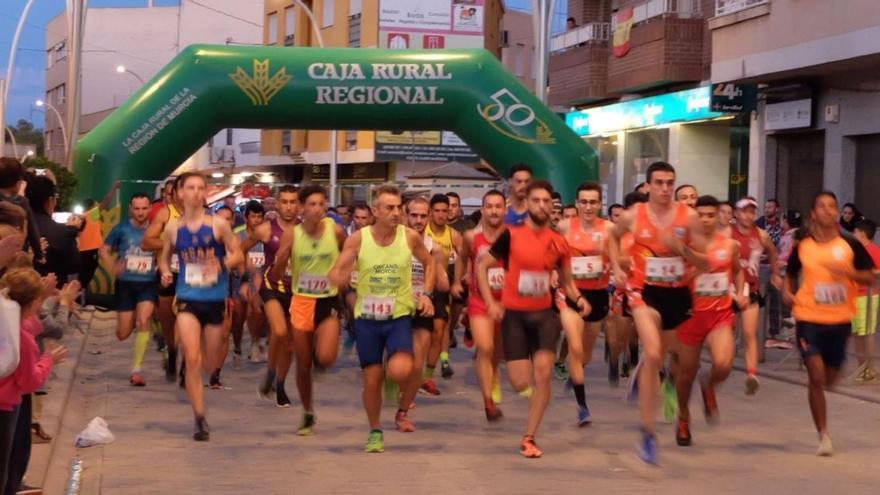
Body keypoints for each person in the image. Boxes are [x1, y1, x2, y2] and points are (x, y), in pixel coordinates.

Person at [477, 180, 588, 458]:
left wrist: (579, 298)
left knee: (543, 375)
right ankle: (509, 387)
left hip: (543, 317)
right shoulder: (510, 235)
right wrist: (491, 302)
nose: (541, 205)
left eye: (546, 201)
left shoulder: (559, 242)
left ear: (552, 206)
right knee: (519, 381)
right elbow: (482, 266)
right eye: (535, 200)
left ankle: (529, 436)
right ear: (527, 205)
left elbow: (568, 282)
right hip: (514, 317)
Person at [609, 161, 705, 465]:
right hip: (643, 291)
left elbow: (705, 261)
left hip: (678, 294)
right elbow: (611, 238)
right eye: (659, 183)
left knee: (677, 361)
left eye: (669, 183)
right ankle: (648, 435)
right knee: (652, 354)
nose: (665, 188)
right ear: (648, 185)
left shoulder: (687, 217)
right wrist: (615, 266)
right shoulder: (633, 215)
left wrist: (682, 249)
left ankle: (650, 380)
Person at [328, 184, 434, 453]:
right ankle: (375, 429)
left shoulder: (409, 237)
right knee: (371, 380)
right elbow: (339, 270)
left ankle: (394, 379)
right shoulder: (359, 240)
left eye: (399, 207)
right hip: (367, 320)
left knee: (400, 370)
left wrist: (426, 294)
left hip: (398, 316)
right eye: (390, 207)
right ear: (375, 210)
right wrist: (336, 279)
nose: (396, 212)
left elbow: (430, 263)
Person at [783, 191, 875, 456]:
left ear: (836, 213)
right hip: (808, 318)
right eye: (821, 206)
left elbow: (869, 278)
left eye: (831, 206)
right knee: (816, 376)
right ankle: (823, 435)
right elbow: (790, 273)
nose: (827, 210)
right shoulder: (803, 245)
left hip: (839, 320)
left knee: (830, 379)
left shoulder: (850, 245)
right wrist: (786, 291)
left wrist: (849, 273)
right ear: (813, 213)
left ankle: (823, 391)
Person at [158, 172, 242, 441]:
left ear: (206, 193)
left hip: (214, 300)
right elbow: (164, 257)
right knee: (192, 359)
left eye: (200, 188)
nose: (196, 192)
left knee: (209, 364)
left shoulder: (217, 225)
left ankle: (200, 375)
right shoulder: (173, 229)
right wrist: (165, 272)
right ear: (179, 193)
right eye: (190, 187)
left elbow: (237, 253)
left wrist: (222, 265)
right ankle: (199, 418)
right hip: (187, 299)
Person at [270, 185, 346, 436]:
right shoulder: (292, 235)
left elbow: (350, 254)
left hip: (327, 300)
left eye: (321, 204)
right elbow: (277, 274)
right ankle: (308, 410)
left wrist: (342, 273)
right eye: (312, 204)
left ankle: (319, 352)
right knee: (303, 366)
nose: (317, 209)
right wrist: (282, 260)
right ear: (302, 208)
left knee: (325, 357)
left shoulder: (334, 231)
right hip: (301, 301)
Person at [674, 195, 747, 446]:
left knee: (724, 364)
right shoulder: (685, 245)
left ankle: (709, 386)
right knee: (685, 375)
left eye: (710, 215)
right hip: (690, 316)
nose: (705, 219)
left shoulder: (730, 246)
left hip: (719, 314)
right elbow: (673, 278)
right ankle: (683, 417)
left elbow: (738, 272)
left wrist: (740, 293)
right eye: (701, 214)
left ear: (719, 216)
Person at [0, 267, 67, 495]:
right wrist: (48, 360)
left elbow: (27, 325)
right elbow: (29, 382)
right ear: (32, 304)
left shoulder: (7, 326)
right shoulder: (24, 341)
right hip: (4, 409)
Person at [556, 182, 613, 424]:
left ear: (600, 204)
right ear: (577, 203)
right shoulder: (564, 227)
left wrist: (618, 270)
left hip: (598, 296)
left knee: (586, 355)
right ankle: (583, 407)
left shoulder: (610, 229)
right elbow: (553, 255)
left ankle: (576, 375)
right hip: (570, 294)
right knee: (575, 349)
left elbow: (621, 258)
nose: (588, 207)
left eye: (593, 202)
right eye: (583, 202)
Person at [241, 186, 300, 407]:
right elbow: (241, 249)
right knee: (279, 330)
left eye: (293, 201)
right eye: (284, 201)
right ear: (277, 204)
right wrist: (252, 275)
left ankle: (280, 384)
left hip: (297, 290)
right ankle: (270, 372)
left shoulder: (307, 230)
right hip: (271, 286)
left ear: (299, 205)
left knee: (289, 345)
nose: (288, 206)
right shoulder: (266, 229)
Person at [453, 190, 506, 421]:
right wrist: (458, 279)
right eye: (490, 206)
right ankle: (488, 402)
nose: (494, 211)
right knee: (485, 347)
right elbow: (462, 258)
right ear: (482, 210)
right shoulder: (471, 237)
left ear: (504, 210)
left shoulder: (512, 235)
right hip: (479, 299)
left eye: (498, 206)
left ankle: (493, 375)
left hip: (505, 301)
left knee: (497, 351)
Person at [395, 196, 445, 431]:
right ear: (404, 214)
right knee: (397, 364)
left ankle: (402, 412)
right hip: (395, 308)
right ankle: (394, 386)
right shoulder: (393, 241)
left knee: (417, 364)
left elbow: (442, 284)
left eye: (423, 215)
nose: (418, 220)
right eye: (413, 215)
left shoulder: (433, 247)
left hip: (422, 306)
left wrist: (441, 272)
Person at [100, 193, 158, 386]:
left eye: (144, 208)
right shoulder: (121, 229)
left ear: (150, 209)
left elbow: (166, 248)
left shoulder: (156, 230)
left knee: (143, 321)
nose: (141, 212)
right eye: (137, 208)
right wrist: (113, 266)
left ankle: (136, 370)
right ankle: (137, 321)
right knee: (122, 334)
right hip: (125, 284)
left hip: (147, 283)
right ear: (130, 209)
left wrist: (162, 265)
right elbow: (104, 249)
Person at [731, 197, 781, 394]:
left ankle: (751, 375)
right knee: (726, 332)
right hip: (729, 290)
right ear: (736, 213)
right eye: (744, 211)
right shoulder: (727, 233)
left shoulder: (761, 235)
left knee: (750, 334)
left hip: (750, 289)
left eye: (751, 211)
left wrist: (776, 273)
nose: (748, 215)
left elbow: (773, 253)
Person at [142, 176, 185, 383]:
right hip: (168, 274)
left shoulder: (205, 215)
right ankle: (173, 351)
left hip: (192, 276)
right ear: (174, 193)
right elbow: (146, 242)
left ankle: (187, 364)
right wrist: (170, 244)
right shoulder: (165, 213)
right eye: (182, 190)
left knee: (190, 320)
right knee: (169, 322)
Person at [423, 194, 462, 389]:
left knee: (440, 328)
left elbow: (465, 257)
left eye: (444, 211)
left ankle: (429, 375)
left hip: (440, 286)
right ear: (430, 212)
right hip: (416, 286)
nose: (440, 215)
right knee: (420, 334)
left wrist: (458, 281)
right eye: (436, 211)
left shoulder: (453, 235)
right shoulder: (422, 230)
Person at [25, 175, 82, 284]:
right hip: (50, 293)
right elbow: (74, 266)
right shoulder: (62, 232)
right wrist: (72, 230)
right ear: (50, 200)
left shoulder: (13, 224)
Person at [851, 219, 880, 382]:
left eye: (855, 232)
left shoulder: (873, 250)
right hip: (855, 295)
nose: (853, 234)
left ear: (862, 233)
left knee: (867, 332)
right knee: (857, 333)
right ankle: (861, 367)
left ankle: (868, 368)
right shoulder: (857, 250)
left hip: (867, 295)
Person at [0, 157, 43, 262]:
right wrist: (39, 254)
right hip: (15, 253)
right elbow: (33, 231)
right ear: (19, 183)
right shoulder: (21, 202)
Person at [241, 200, 267, 363]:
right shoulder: (239, 235)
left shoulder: (267, 235)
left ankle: (259, 340)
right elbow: (239, 256)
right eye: (253, 216)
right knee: (254, 310)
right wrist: (248, 277)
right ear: (246, 218)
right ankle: (254, 342)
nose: (256, 220)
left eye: (259, 216)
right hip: (244, 280)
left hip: (266, 281)